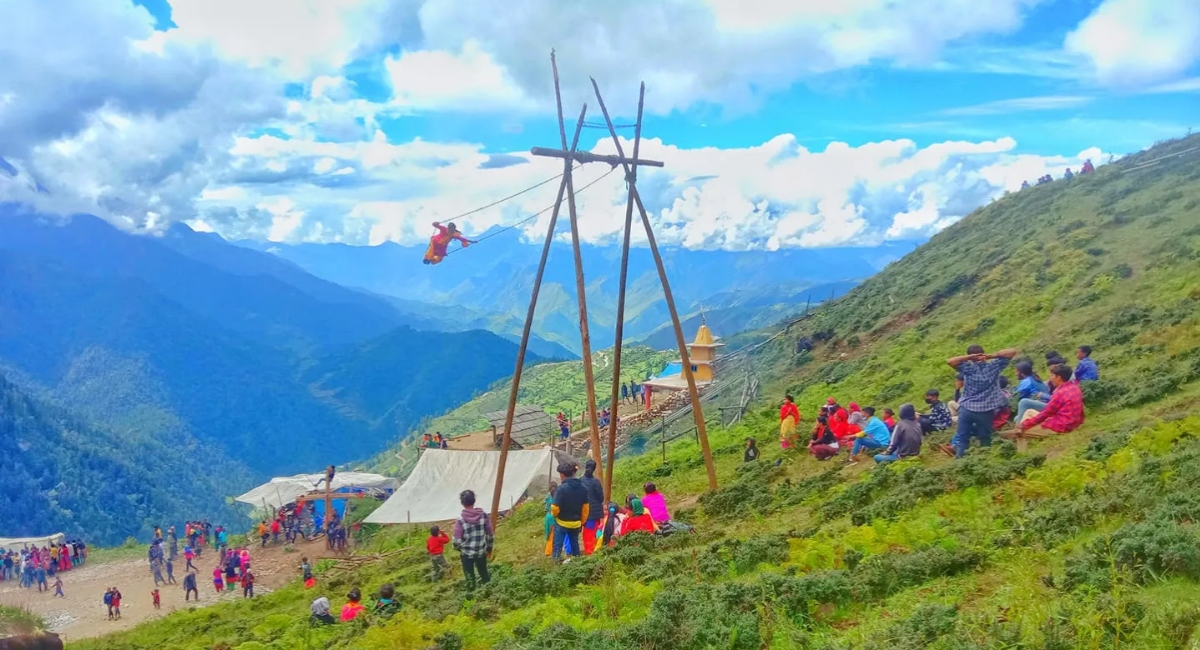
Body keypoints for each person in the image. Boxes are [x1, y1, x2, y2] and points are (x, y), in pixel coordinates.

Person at [943, 345, 1017, 458]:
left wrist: (969, 357)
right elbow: (1012, 351)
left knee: (962, 439)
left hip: (967, 409)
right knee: (985, 439)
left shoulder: (968, 369)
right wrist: (991, 356)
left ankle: (959, 463)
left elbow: (950, 361)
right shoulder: (994, 366)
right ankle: (984, 461)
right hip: (986, 410)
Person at [1020, 364, 1085, 434]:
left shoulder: (1059, 393)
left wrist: (1025, 424)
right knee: (1029, 412)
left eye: (1052, 375)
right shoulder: (1076, 387)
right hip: (1072, 422)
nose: (1050, 378)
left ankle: (1017, 433)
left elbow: (1046, 413)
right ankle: (1017, 430)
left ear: (1058, 377)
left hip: (1060, 426)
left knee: (1022, 431)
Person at [452, 490, 493, 589]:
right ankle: (490, 594)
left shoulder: (460, 520)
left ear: (462, 503)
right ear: (474, 501)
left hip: (466, 554)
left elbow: (456, 542)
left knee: (470, 577)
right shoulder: (483, 515)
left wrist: (459, 549)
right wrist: (489, 549)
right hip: (481, 552)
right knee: (484, 574)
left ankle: (472, 597)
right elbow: (490, 535)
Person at [551, 462, 589, 562]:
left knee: (558, 544)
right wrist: (582, 521)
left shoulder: (561, 489)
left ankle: (556, 563)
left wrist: (555, 515)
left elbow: (555, 507)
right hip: (576, 522)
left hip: (562, 522)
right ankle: (578, 562)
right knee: (574, 543)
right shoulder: (583, 488)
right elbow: (585, 508)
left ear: (562, 475)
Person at [580, 459, 606, 555]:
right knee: (597, 532)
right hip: (596, 513)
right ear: (594, 469)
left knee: (588, 534)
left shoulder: (580, 481)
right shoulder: (596, 482)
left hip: (586, 513)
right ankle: (598, 551)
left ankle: (590, 553)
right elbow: (601, 498)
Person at [543, 482, 558, 557]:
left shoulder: (547, 497)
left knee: (549, 534)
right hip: (553, 517)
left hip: (548, 516)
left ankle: (548, 550)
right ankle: (549, 551)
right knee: (553, 535)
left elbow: (545, 508)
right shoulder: (556, 498)